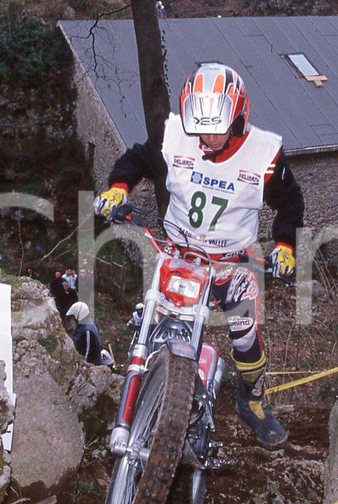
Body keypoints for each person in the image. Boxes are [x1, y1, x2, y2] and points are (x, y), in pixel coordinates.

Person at [94, 62, 305, 448]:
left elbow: (290, 202)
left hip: (232, 264)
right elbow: (138, 158)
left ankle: (252, 401)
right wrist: (118, 188)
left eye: (217, 127)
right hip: (178, 254)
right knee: (153, 320)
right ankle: (143, 392)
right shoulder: (175, 134)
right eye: (200, 125)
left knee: (246, 341)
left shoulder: (265, 154)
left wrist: (285, 246)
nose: (207, 136)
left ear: (239, 118)